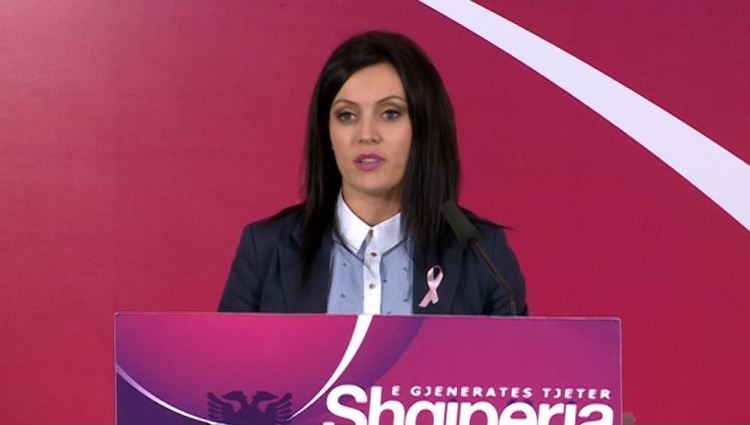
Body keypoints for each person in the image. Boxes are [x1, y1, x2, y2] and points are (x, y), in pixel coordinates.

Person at [218, 31, 527, 315]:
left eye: (390, 113)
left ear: (424, 127)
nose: (366, 135)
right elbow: (228, 358)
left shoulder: (483, 255)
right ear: (327, 134)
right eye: (347, 115)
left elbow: (516, 358)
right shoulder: (265, 249)